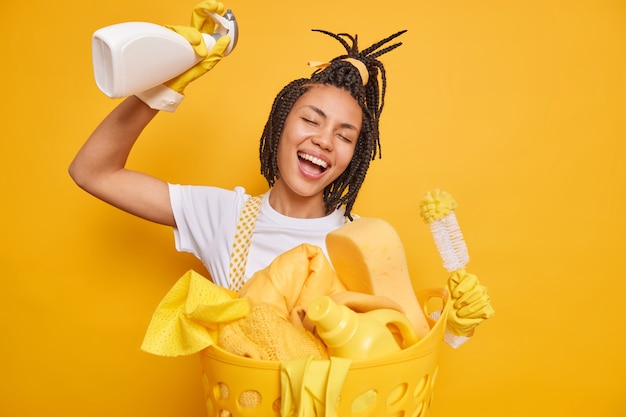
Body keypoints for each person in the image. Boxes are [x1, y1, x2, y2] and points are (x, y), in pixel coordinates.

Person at [69, 0, 406, 291]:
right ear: (279, 125)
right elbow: (93, 172)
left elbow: (398, 336)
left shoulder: (366, 242)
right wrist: (161, 87)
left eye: (344, 136)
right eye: (311, 120)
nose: (324, 140)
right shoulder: (222, 216)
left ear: (355, 156)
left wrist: (452, 325)